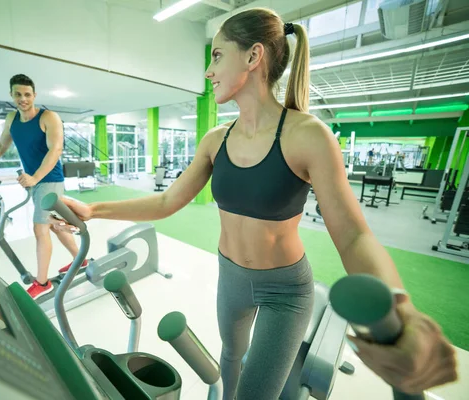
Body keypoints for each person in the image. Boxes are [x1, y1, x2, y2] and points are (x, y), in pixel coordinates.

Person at [49, 9, 457, 400]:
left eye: (217, 55)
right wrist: (94, 211)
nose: (208, 71)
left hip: (286, 290)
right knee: (230, 359)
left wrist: (400, 307)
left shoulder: (307, 136)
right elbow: (169, 200)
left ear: (254, 56)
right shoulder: (215, 140)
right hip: (230, 275)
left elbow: (351, 235)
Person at [0, 74, 86, 300]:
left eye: (27, 94)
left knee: (40, 229)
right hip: (35, 180)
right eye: (18, 94)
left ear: (34, 95)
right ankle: (82, 259)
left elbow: (55, 150)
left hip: (49, 179)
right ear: (11, 95)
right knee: (53, 225)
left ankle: (42, 282)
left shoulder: (48, 117)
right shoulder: (12, 119)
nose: (23, 99)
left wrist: (35, 177)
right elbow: (0, 147)